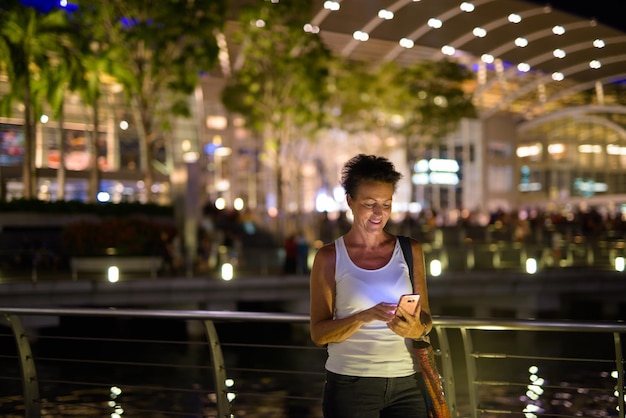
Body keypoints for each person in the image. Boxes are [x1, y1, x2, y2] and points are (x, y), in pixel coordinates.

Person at [309, 154, 433, 418]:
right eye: (370, 204)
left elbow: (426, 319)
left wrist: (416, 327)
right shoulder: (330, 257)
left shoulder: (410, 250)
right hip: (351, 385)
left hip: (407, 383)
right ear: (350, 202)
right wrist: (365, 315)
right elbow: (319, 334)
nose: (380, 213)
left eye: (386, 204)